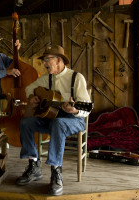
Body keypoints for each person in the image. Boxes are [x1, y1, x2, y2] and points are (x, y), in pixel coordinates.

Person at [15, 45, 91, 196]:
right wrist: (33, 97)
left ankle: (56, 171)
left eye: (47, 60)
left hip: (74, 119)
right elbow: (29, 89)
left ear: (59, 60)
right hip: (52, 119)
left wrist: (75, 109)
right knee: (26, 122)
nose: (44, 64)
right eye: (44, 61)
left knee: (59, 123)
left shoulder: (76, 77)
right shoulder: (46, 78)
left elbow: (87, 108)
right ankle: (33, 165)